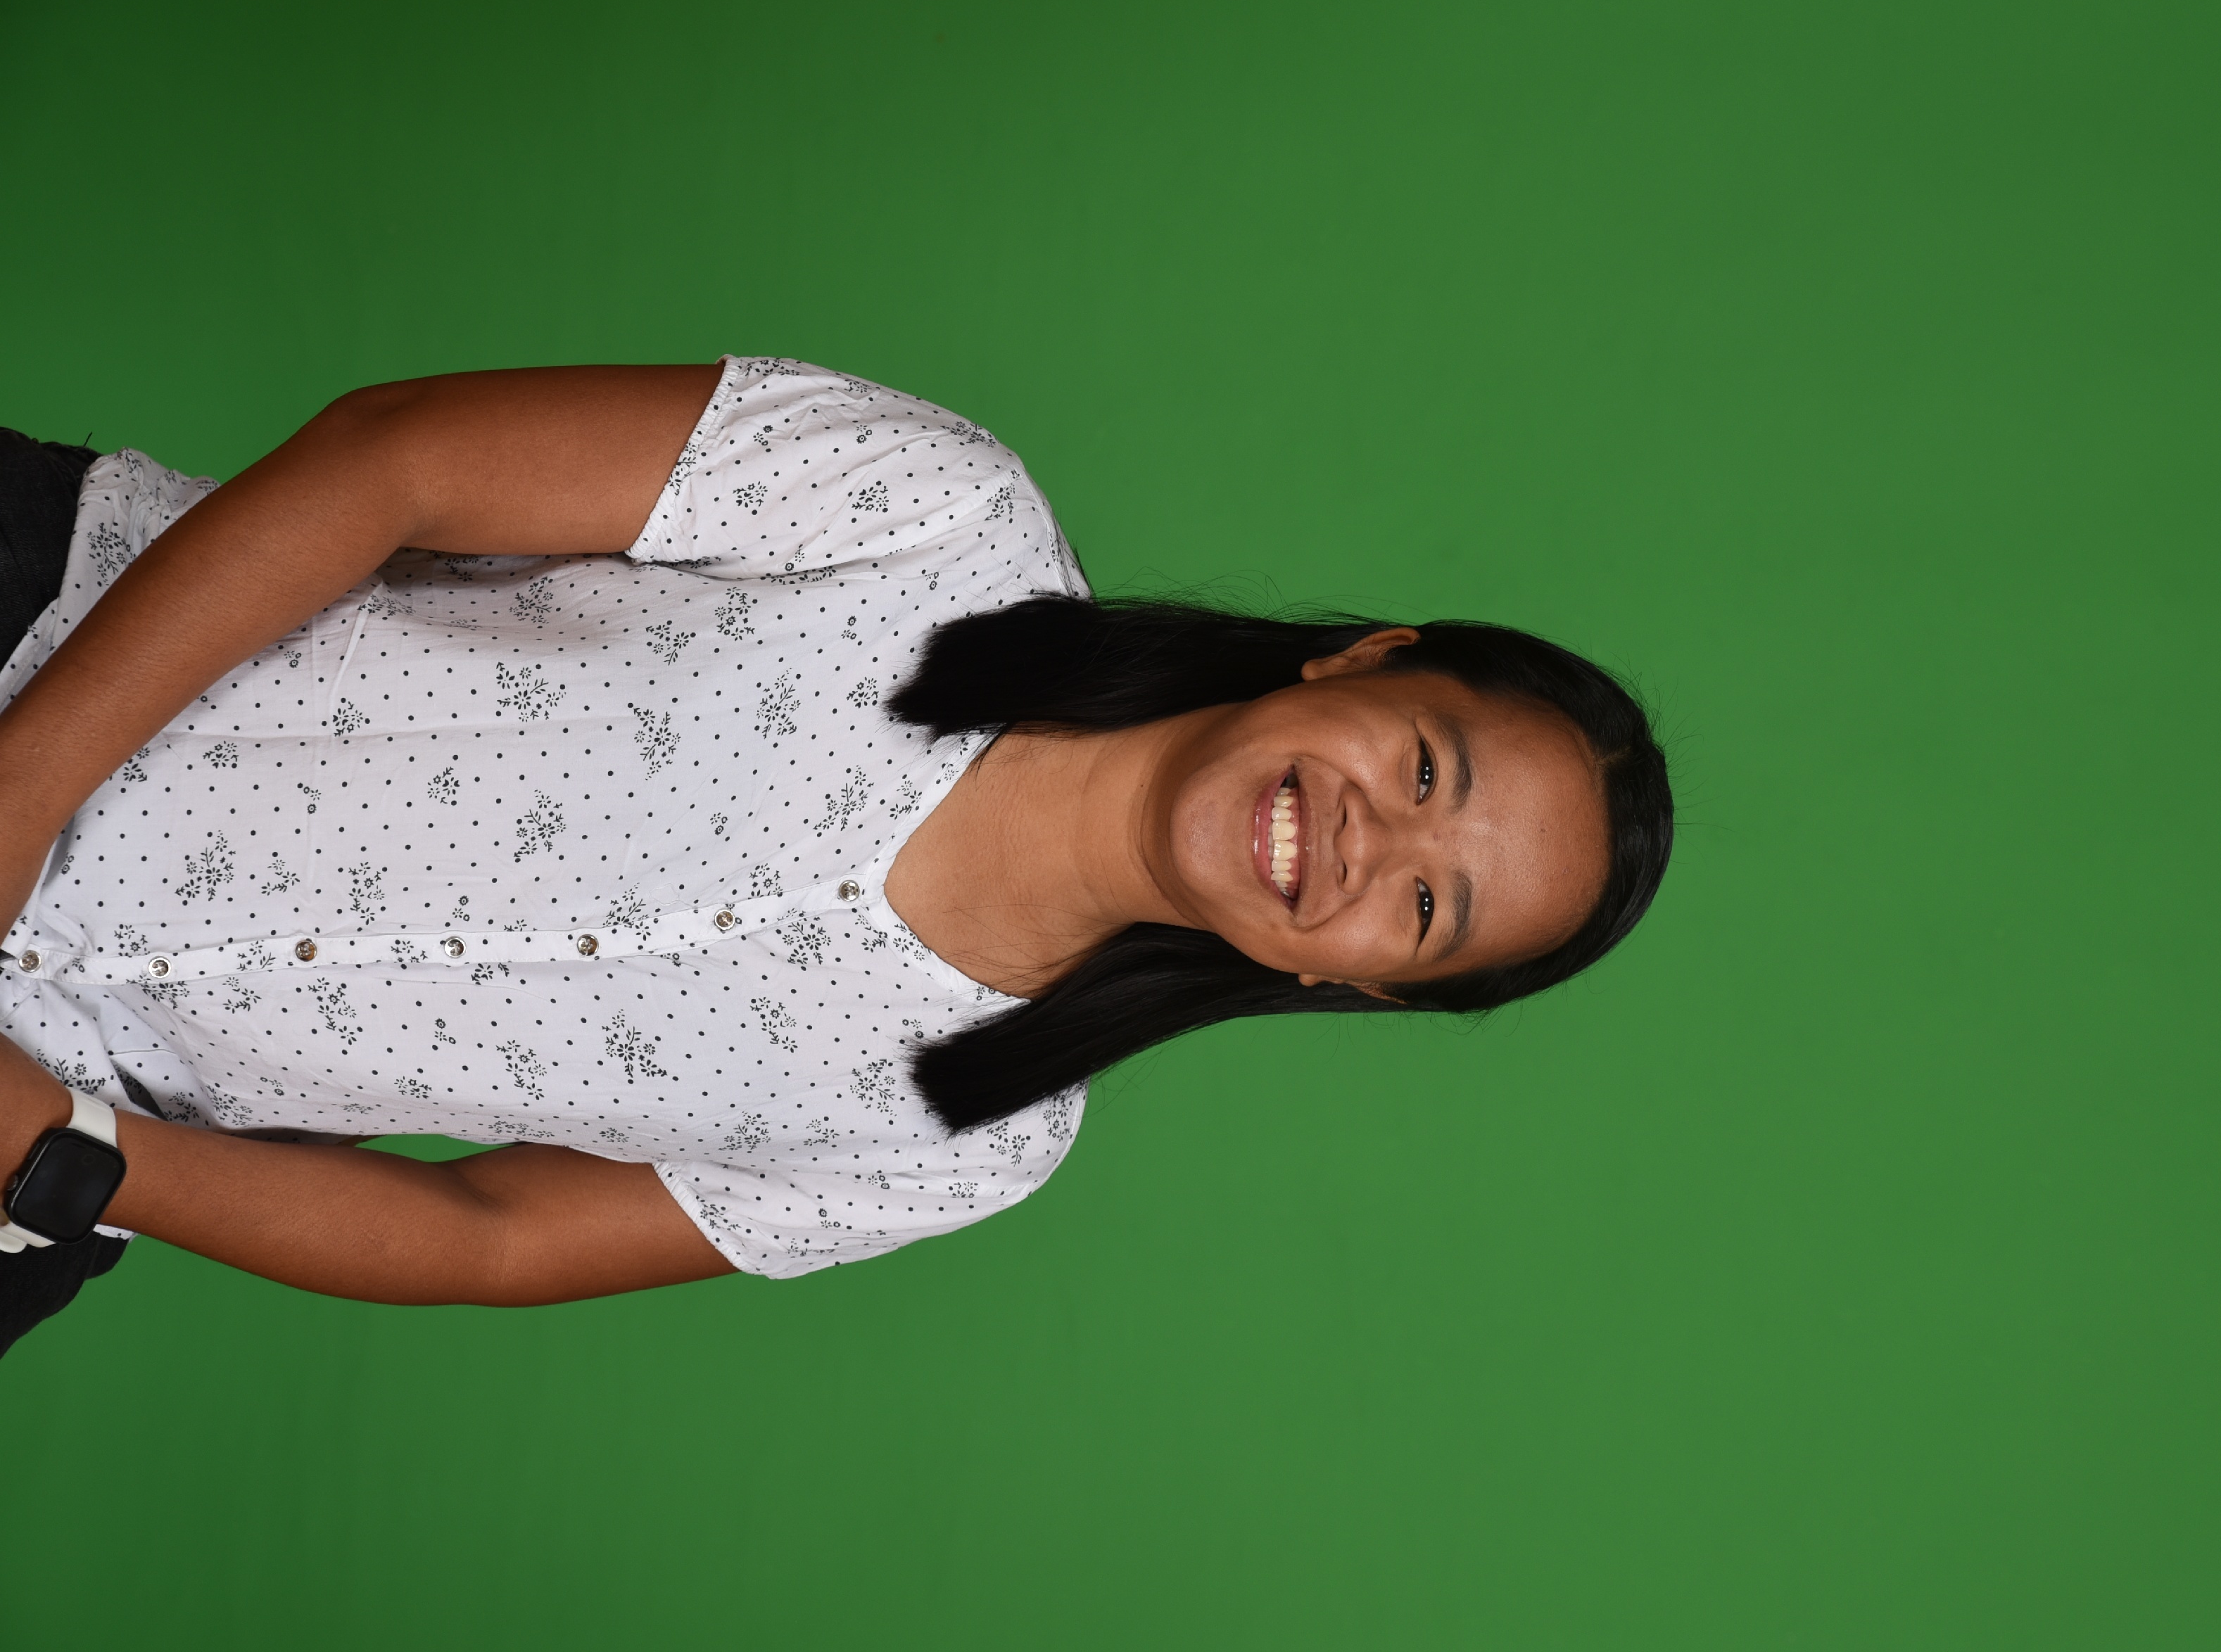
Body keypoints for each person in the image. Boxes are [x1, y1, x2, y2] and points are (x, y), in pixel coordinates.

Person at [0, 360, 1671, 1357]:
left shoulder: (967, 1144)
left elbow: (488, 1235)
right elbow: (398, 462)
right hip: (34, 645)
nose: (1368, 843)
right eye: (1425, 765)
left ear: (1353, 982)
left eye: (1427, 909)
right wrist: (18, 796)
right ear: (1361, 662)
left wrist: (64, 1159)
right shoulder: (938, 519)